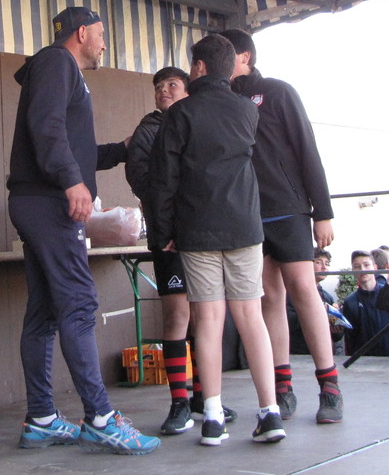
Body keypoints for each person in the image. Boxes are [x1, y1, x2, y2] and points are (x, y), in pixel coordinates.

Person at [7, 6, 158, 455]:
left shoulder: (55, 69)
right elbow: (47, 128)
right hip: (49, 203)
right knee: (78, 303)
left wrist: (121, 150)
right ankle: (101, 418)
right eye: (101, 33)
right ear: (81, 33)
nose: (104, 43)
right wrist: (72, 182)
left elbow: (72, 146)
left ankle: (41, 419)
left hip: (35, 200)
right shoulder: (57, 61)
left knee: (45, 312)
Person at [150, 33, 284, 446]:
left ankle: (211, 417)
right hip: (245, 226)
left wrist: (163, 232)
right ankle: (270, 412)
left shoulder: (180, 113)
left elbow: (164, 179)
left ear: (199, 67)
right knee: (251, 317)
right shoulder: (247, 110)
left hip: (197, 229)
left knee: (207, 320)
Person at [220, 28, 342, 425]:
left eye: (226, 52)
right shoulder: (220, 100)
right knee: (269, 297)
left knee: (304, 290)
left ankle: (329, 387)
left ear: (244, 56)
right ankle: (282, 388)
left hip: (289, 209)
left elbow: (308, 147)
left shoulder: (277, 91)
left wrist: (322, 211)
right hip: (246, 215)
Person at [124, 66, 235, 434]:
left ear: (189, 89)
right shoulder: (149, 128)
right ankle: (179, 403)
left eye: (171, 84)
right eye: (158, 86)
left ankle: (205, 398)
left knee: (207, 316)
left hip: (203, 236)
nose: (163, 91)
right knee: (177, 315)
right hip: (168, 236)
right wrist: (168, 219)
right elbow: (141, 177)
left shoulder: (201, 121)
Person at [341, 250, 389, 356]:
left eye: (366, 265)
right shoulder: (350, 302)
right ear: (353, 270)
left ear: (375, 267)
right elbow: (350, 338)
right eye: (357, 266)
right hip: (364, 359)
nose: (362, 270)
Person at [289, 248, 345, 356]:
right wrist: (318, 313)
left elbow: (337, 336)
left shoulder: (328, 297)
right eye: (318, 262)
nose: (324, 267)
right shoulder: (291, 293)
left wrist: (336, 324)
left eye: (327, 264)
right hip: (298, 354)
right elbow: (288, 322)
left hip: (323, 353)